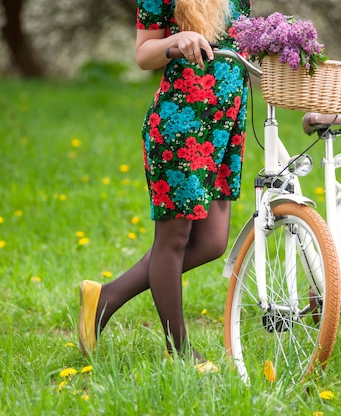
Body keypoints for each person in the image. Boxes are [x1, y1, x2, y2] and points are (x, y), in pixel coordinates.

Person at [78, 0, 251, 371]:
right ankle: (181, 351)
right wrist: (179, 41)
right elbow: (144, 54)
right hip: (179, 127)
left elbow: (243, 40)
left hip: (223, 128)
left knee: (212, 242)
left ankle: (104, 298)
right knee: (171, 242)